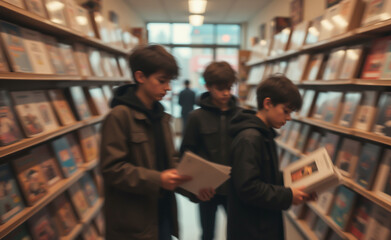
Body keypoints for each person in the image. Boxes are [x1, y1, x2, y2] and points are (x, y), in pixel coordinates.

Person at [100, 44, 214, 240]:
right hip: (133, 223)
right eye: (162, 81)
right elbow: (112, 170)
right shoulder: (119, 116)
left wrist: (195, 190)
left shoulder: (161, 118)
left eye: (169, 81)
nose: (168, 87)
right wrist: (158, 179)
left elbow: (171, 165)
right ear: (140, 77)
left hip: (162, 215)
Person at [227, 75, 316, 240]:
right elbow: (248, 188)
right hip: (252, 229)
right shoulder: (250, 138)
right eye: (286, 111)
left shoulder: (263, 134)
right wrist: (288, 195)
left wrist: (300, 183)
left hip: (262, 223)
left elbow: (266, 177)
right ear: (268, 103)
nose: (288, 118)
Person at [180, 61, 240, 240]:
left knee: (239, 233)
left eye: (229, 88)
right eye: (220, 88)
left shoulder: (241, 116)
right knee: (207, 234)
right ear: (207, 86)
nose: (226, 93)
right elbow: (186, 154)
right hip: (207, 190)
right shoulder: (196, 118)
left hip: (235, 190)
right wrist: (196, 187)